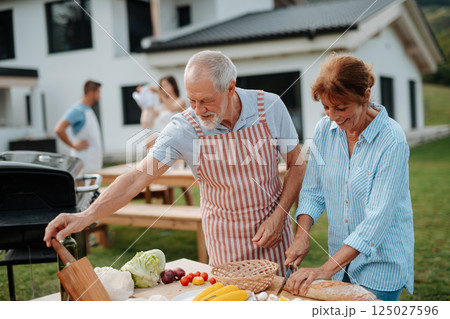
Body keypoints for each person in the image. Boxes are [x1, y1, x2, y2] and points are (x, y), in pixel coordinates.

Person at [44, 50, 305, 275]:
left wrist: (280, 214)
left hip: (275, 237)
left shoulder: (269, 106)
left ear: (230, 88)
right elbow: (136, 178)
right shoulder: (184, 128)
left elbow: (296, 162)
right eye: (192, 100)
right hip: (226, 242)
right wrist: (85, 215)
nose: (198, 109)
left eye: (205, 100)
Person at [284, 54, 414, 301]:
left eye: (341, 107)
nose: (332, 116)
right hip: (339, 264)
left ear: (365, 96)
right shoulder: (325, 130)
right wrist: (302, 236)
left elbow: (375, 222)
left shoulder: (392, 141)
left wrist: (323, 270)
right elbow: (313, 191)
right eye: (326, 107)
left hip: (381, 266)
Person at [54, 80, 103, 174]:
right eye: (99, 92)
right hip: (83, 163)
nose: (100, 96)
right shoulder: (77, 110)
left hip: (93, 164)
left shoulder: (88, 110)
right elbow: (59, 129)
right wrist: (73, 146)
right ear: (91, 92)